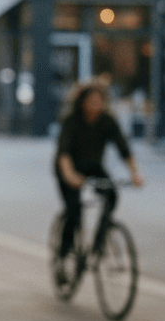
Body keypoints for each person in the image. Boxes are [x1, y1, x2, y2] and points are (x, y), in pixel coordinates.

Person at [54, 81, 145, 281]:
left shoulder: (107, 121)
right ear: (83, 103)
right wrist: (70, 176)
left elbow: (124, 149)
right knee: (73, 210)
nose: (97, 106)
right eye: (92, 102)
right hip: (69, 168)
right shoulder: (72, 121)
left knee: (111, 196)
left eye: (100, 102)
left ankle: (97, 245)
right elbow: (64, 153)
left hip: (93, 167)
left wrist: (135, 174)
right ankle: (62, 257)